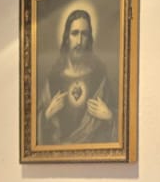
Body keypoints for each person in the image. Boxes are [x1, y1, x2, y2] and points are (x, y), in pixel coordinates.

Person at [37, 9, 116, 145]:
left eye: (84, 34)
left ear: (89, 39)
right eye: (74, 33)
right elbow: (32, 130)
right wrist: (46, 115)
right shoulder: (53, 80)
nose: (79, 41)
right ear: (67, 38)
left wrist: (110, 116)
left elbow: (121, 125)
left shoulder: (99, 78)